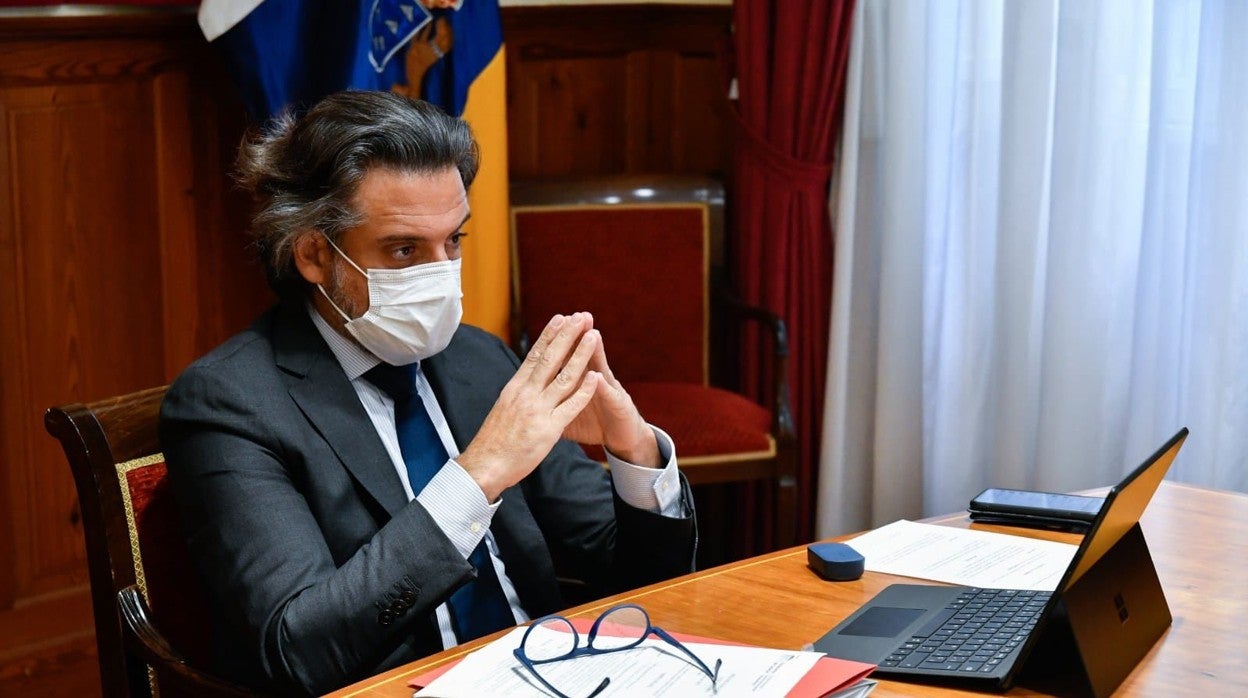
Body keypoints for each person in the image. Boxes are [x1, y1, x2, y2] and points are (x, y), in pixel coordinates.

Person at [159, 90, 697, 696]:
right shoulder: (230, 404)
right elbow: (299, 650)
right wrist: (479, 476)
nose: (440, 276)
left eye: (454, 242)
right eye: (405, 250)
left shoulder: (476, 358)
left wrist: (635, 457)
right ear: (313, 254)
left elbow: (639, 575)